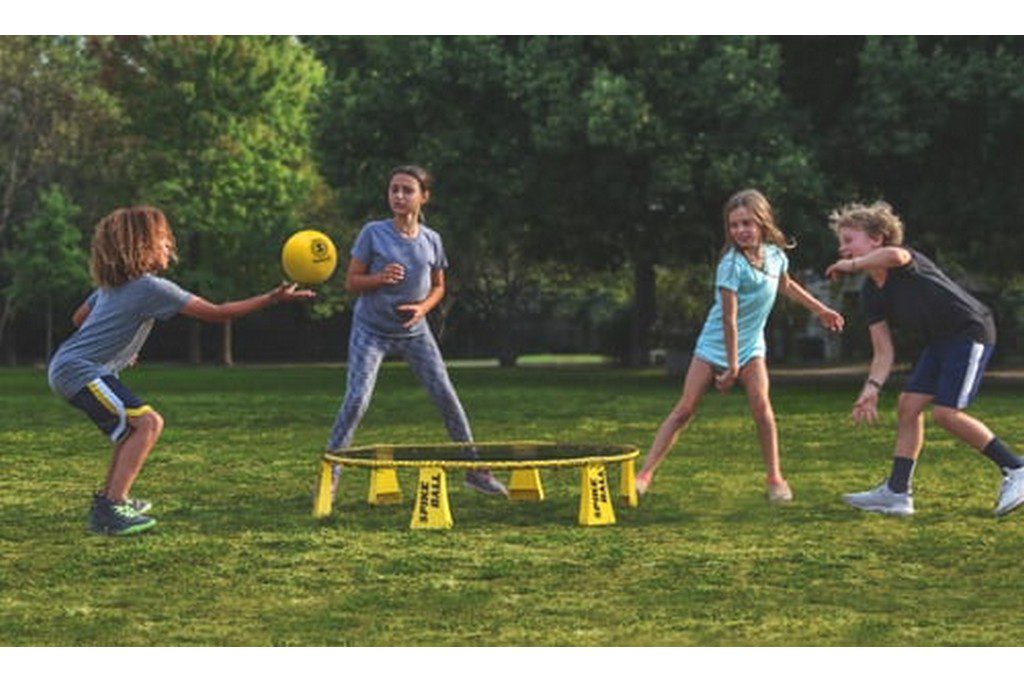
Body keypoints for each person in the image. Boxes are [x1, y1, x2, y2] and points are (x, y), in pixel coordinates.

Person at [48, 206, 315, 536]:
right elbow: (218, 313)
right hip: (80, 370)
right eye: (162, 241)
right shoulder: (151, 288)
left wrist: (118, 348)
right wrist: (271, 298)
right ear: (140, 246)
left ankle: (110, 501)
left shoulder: (111, 287)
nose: (169, 248)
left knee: (134, 428)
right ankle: (111, 509)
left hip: (72, 366)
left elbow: (78, 319)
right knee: (148, 423)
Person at [635, 189, 844, 502]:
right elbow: (728, 320)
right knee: (685, 409)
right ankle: (644, 475)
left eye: (746, 223)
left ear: (761, 223)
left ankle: (775, 479)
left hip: (751, 346)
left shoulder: (775, 256)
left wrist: (821, 309)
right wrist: (731, 366)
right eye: (733, 225)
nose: (740, 231)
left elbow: (786, 286)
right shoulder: (730, 265)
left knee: (762, 408)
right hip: (715, 344)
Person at [826, 201, 1024, 517]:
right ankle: (897, 492)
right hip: (940, 342)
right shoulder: (870, 293)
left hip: (969, 331)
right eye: (841, 243)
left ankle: (1016, 469)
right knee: (908, 407)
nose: (842, 249)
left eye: (849, 240)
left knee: (946, 414)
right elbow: (884, 351)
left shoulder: (903, 260)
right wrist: (872, 388)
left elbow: (895, 255)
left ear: (876, 238)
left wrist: (849, 265)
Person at [325, 165, 506, 497]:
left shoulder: (431, 240)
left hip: (415, 332)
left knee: (447, 397)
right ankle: (331, 473)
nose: (398, 196)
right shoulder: (372, 233)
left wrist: (423, 308)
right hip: (371, 330)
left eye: (407, 190)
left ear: (424, 197)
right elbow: (351, 282)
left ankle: (475, 471)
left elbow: (439, 287)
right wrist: (378, 279)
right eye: (394, 189)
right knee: (356, 401)